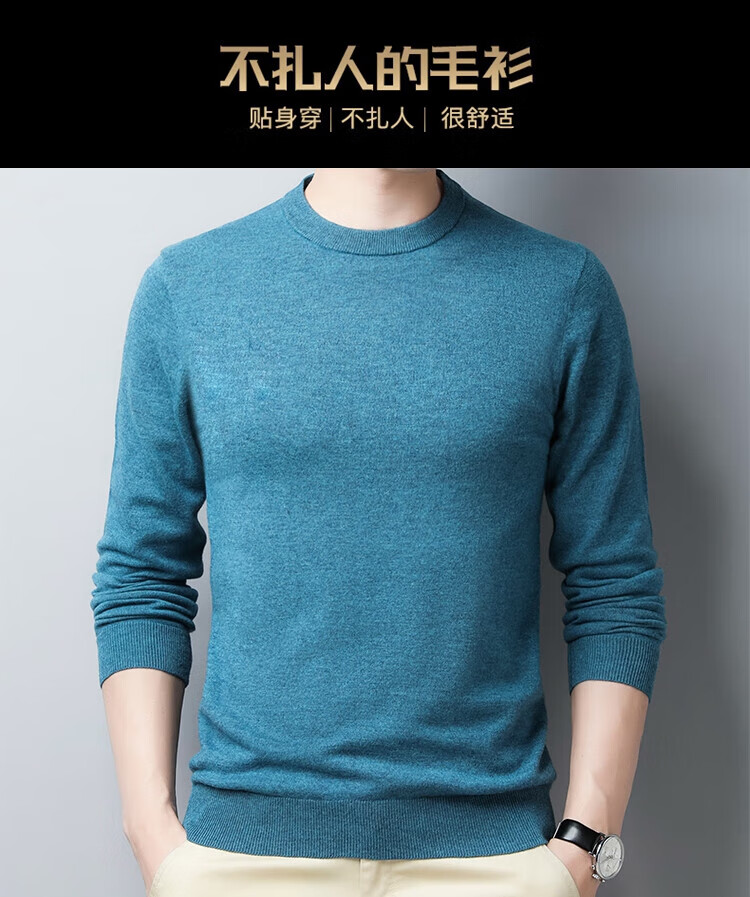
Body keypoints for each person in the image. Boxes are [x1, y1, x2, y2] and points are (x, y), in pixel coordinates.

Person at [90, 168, 667, 897]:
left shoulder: (562, 288)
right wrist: (150, 830)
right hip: (243, 855)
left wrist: (585, 842)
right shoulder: (189, 287)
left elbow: (614, 581)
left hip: (495, 858)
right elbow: (141, 572)